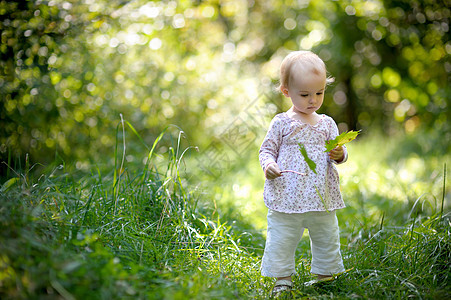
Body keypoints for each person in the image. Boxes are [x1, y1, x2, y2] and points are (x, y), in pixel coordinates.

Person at [259, 51, 347, 294]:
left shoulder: (327, 123)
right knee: (282, 238)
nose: (313, 101)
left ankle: (325, 276)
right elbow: (266, 150)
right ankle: (282, 279)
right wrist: (268, 165)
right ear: (287, 91)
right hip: (287, 195)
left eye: (319, 93)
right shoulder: (281, 123)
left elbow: (338, 150)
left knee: (326, 236)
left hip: (321, 195)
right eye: (305, 94)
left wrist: (341, 154)